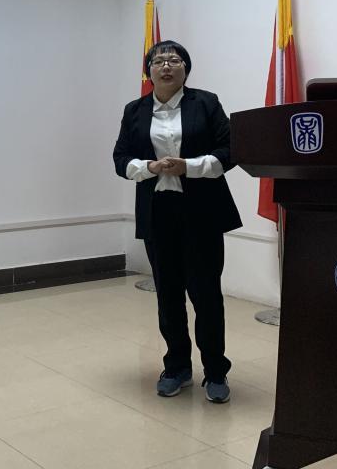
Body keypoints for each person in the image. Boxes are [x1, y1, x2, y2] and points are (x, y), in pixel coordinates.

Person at [112, 40, 241, 403]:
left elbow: (230, 150)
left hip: (201, 211)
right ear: (149, 71)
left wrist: (191, 167)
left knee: (206, 295)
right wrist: (149, 167)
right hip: (158, 211)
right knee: (168, 295)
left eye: (174, 60)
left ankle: (215, 371)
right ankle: (177, 367)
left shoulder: (206, 103)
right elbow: (121, 158)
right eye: (159, 61)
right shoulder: (135, 110)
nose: (166, 66)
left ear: (186, 68)